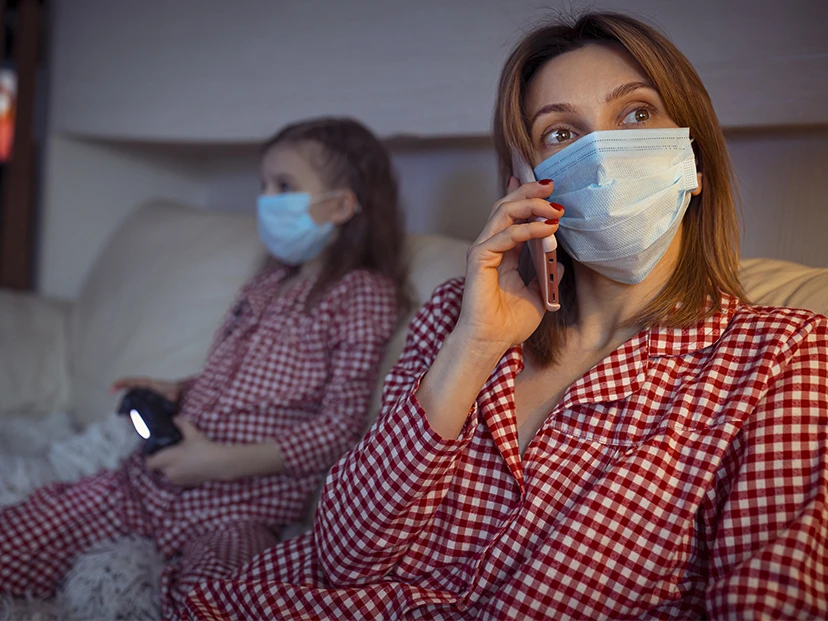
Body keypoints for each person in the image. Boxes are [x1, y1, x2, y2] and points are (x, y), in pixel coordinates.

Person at [185, 12, 828, 620]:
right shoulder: (457, 313)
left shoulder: (785, 359)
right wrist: (474, 346)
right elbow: (344, 556)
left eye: (635, 114)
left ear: (693, 158)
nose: (602, 155)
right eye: (561, 134)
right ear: (526, 182)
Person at [0, 117, 408, 619]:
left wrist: (218, 462)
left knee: (217, 600)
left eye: (283, 186)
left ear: (341, 206)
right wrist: (177, 389)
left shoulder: (361, 293)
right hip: (150, 481)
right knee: (25, 530)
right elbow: (233, 379)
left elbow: (339, 427)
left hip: (239, 506)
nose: (265, 200)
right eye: (263, 185)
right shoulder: (266, 283)